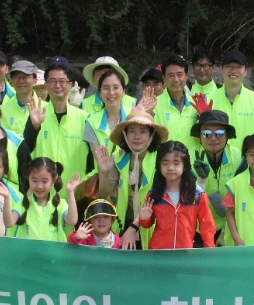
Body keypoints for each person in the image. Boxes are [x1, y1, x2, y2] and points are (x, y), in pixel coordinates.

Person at [94, 111, 168, 249]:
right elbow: (104, 194)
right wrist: (104, 173)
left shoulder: (162, 159)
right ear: (125, 135)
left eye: (143, 132)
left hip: (154, 225)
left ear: (152, 135)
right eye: (132, 131)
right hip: (123, 224)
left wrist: (134, 227)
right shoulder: (118, 157)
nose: (137, 136)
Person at [137, 141, 216, 249]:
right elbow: (147, 225)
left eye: (176, 163)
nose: (170, 168)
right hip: (158, 253)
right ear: (159, 165)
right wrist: (144, 219)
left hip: (185, 254)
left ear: (185, 165)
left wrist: (209, 248)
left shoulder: (197, 194)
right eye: (165, 163)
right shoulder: (154, 193)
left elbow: (207, 225)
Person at [26, 57, 91, 187]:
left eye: (62, 81)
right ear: (45, 85)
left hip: (75, 194)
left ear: (71, 84)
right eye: (52, 81)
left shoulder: (84, 118)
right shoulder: (35, 115)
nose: (57, 85)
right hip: (42, 194)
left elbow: (92, 160)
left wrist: (84, 184)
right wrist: (34, 127)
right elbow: (26, 151)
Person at [189, 110, 241, 244]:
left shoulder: (239, 158)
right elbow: (187, 201)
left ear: (228, 135)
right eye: (206, 133)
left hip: (231, 227)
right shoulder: (187, 159)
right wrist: (200, 180)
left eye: (219, 133)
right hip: (198, 227)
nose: (213, 138)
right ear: (199, 136)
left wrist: (225, 231)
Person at [14, 158, 79, 241]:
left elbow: (72, 221)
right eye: (34, 180)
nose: (39, 186)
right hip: (28, 253)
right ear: (28, 179)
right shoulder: (23, 203)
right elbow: (9, 223)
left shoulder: (60, 204)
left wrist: (70, 193)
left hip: (54, 253)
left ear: (53, 181)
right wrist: (6, 197)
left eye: (44, 181)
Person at [207, 50, 254, 142]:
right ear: (221, 69)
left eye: (239, 67)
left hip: (246, 156)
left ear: (245, 71)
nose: (233, 71)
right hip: (218, 156)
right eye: (229, 66)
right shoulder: (207, 99)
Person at [154, 55, 199, 149]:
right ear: (164, 78)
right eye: (171, 75)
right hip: (166, 161)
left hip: (192, 161)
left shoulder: (196, 104)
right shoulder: (154, 105)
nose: (176, 79)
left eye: (180, 74)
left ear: (186, 76)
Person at [83, 69, 132, 154]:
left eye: (116, 88)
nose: (111, 92)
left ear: (124, 91)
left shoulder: (134, 116)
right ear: (100, 92)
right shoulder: (92, 122)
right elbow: (100, 162)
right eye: (106, 88)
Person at [0, 60, 45, 136]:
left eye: (25, 76)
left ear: (35, 80)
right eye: (16, 77)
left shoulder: (47, 108)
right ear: (11, 80)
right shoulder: (2, 109)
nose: (21, 81)